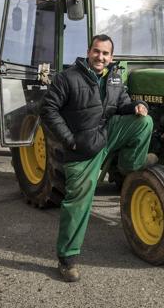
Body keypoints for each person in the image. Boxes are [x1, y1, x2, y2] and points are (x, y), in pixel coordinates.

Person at [40, 34, 152, 282]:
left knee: (144, 123)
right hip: (82, 146)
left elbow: (121, 103)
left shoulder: (113, 77)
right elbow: (47, 109)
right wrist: (70, 140)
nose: (100, 57)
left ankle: (129, 169)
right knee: (78, 201)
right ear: (88, 52)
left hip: (105, 135)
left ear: (111, 57)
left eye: (105, 53)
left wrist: (138, 105)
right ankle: (67, 259)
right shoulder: (68, 78)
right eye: (96, 52)